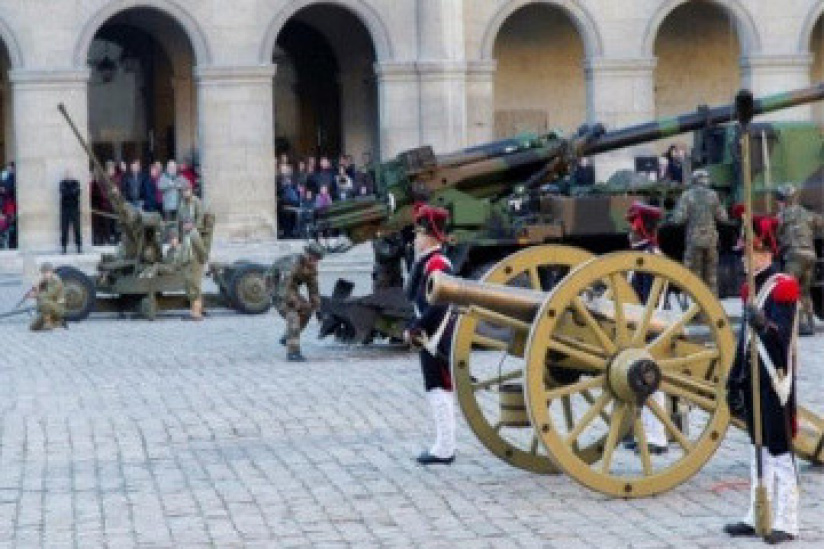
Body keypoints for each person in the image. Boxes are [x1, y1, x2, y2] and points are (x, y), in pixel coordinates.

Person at [724, 217, 800, 544]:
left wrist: (762, 322)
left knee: (779, 450)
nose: (743, 258)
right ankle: (758, 513)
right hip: (753, 378)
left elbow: (780, 339)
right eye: (743, 253)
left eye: (750, 252)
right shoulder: (750, 290)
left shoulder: (782, 287)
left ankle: (788, 520)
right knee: (757, 447)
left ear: (766, 253)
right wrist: (733, 379)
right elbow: (743, 341)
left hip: (774, 378)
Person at [404, 204, 456, 465]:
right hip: (430, 333)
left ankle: (445, 448)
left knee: (439, 388)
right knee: (435, 388)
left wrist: (418, 327)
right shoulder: (427, 262)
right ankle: (443, 444)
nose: (415, 240)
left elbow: (439, 305)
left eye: (419, 235)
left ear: (430, 237)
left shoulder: (437, 264)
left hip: (437, 334)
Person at [623, 203, 668, 454]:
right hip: (636, 324)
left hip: (651, 327)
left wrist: (644, 326)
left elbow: (655, 299)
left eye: (634, 226)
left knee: (650, 381)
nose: (630, 232)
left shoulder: (653, 258)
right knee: (636, 382)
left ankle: (657, 437)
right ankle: (642, 433)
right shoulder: (640, 256)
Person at [774, 183, 823, 336]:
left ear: (782, 200)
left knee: (792, 291)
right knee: (805, 291)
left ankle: (799, 326)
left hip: (794, 256)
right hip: (810, 255)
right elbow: (820, 223)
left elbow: (774, 234)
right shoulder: (808, 214)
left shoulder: (781, 217)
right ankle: (810, 323)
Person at [669, 169, 728, 294]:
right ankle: (711, 307)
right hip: (711, 241)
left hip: (694, 241)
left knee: (693, 275)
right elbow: (723, 218)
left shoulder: (687, 195)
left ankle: (693, 305)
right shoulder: (713, 195)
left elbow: (679, 219)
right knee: (711, 276)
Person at [271, 242, 324, 361]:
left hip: (291, 289)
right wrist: (296, 303)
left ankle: (288, 337)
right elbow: (283, 289)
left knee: (307, 310)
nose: (314, 261)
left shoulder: (311, 267)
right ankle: (293, 353)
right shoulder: (292, 264)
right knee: (293, 315)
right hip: (276, 290)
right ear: (306, 254)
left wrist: (318, 309)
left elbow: (313, 289)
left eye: (317, 259)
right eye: (313, 257)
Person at [178, 219, 208, 321]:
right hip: (189, 265)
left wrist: (201, 262)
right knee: (190, 288)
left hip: (194, 265)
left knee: (195, 288)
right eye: (183, 224)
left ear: (191, 225)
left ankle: (197, 313)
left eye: (185, 224)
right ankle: (194, 311)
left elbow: (201, 250)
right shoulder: (188, 235)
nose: (183, 226)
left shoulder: (194, 235)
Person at [29, 262, 66, 331]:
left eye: (47, 272)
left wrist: (36, 295)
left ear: (51, 272)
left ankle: (51, 322)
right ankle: (56, 323)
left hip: (59, 307)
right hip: (49, 308)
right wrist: (36, 287)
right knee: (33, 327)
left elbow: (48, 294)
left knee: (44, 301)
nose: (45, 275)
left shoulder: (56, 281)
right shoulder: (45, 281)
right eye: (43, 273)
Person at [59, 170, 82, 254]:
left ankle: (79, 246)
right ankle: (64, 247)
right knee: (64, 228)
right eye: (67, 174)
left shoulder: (76, 183)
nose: (68, 176)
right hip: (65, 209)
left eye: (69, 174)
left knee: (77, 228)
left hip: (74, 208)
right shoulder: (62, 183)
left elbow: (78, 193)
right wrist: (72, 192)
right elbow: (63, 193)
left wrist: (71, 193)